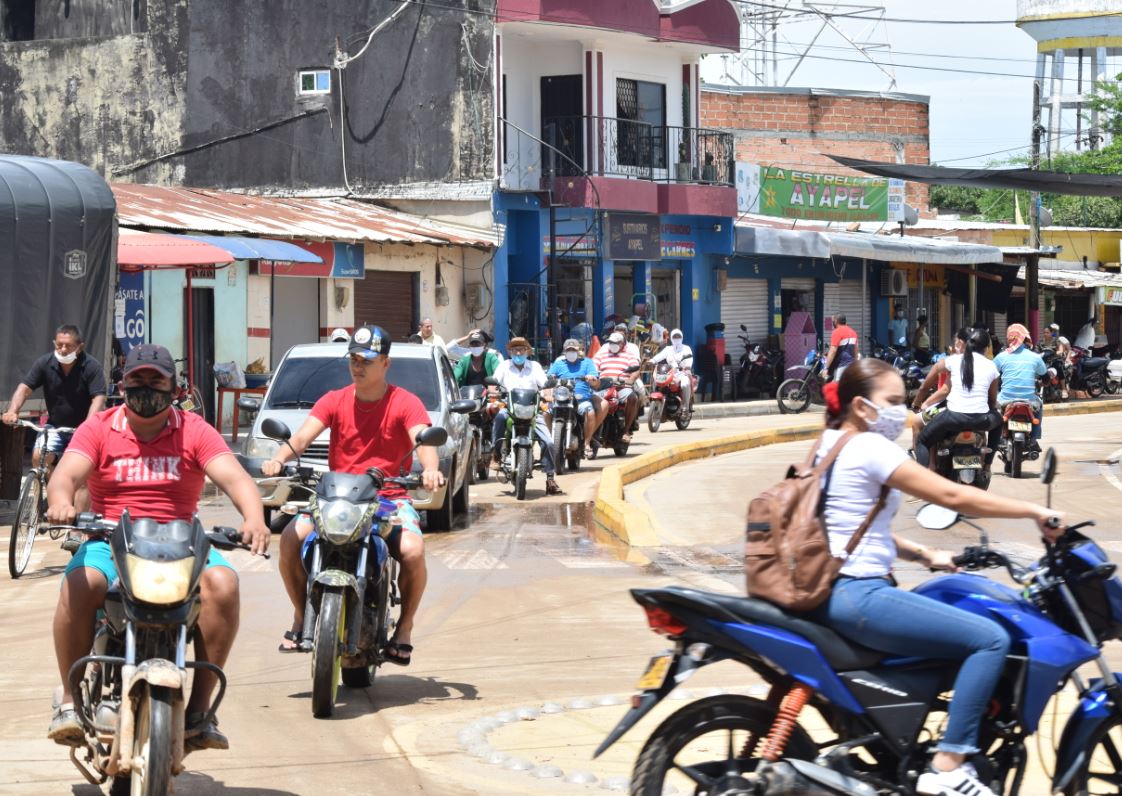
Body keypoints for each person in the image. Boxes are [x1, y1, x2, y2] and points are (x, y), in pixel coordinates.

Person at [809, 358, 1061, 796]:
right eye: (891, 402)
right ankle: (948, 765)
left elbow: (845, 527)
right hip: (859, 594)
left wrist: (923, 552)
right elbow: (949, 493)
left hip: (838, 588)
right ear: (860, 406)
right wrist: (1036, 510)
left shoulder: (829, 443)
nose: (900, 411)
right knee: (990, 639)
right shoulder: (870, 448)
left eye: (902, 401)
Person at [44, 344, 269, 750]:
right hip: (109, 538)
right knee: (81, 583)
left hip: (180, 541)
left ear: (174, 387)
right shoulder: (99, 427)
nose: (146, 388)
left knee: (224, 584)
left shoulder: (195, 430)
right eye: (138, 380)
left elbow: (236, 480)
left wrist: (254, 518)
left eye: (156, 380)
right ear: (122, 384)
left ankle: (200, 711)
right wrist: (60, 501)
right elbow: (65, 475)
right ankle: (68, 700)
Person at [262, 326, 441, 664]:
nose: (358, 367)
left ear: (385, 363)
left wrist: (429, 469)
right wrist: (278, 458)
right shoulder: (334, 399)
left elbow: (424, 439)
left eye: (367, 361)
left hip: (387, 499)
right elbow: (300, 439)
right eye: (354, 360)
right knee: (289, 538)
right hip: (335, 498)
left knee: (414, 551)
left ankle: (404, 628)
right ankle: (301, 617)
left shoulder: (405, 402)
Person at [5, 324, 109, 545]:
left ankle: (76, 531)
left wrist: (88, 426)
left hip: (83, 429)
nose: (62, 349)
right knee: (38, 458)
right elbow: (24, 388)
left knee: (83, 478)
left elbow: (98, 399)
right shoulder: (45, 363)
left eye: (68, 346)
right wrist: (13, 410)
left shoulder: (91, 367)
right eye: (59, 344)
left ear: (80, 347)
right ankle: (56, 495)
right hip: (55, 426)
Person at [913, 328, 999, 472]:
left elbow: (930, 378)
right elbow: (992, 400)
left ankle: (923, 477)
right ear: (986, 349)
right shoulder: (991, 366)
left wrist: (919, 400)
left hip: (952, 418)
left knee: (922, 441)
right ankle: (987, 465)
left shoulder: (953, 360)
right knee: (999, 422)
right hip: (981, 420)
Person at [490, 337, 562, 495]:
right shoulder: (504, 366)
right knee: (500, 418)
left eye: (521, 349)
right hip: (510, 408)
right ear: (509, 351)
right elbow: (494, 382)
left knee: (549, 442)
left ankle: (550, 477)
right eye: (514, 349)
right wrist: (493, 391)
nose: (518, 352)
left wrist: (548, 393)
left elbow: (544, 383)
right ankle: (495, 454)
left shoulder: (535, 366)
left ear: (527, 351)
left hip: (533, 411)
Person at [987, 324, 1047, 464]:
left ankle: (1000, 437)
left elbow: (990, 375)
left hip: (1005, 400)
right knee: (1040, 406)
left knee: (996, 412)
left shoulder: (1001, 357)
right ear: (1024, 339)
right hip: (1029, 401)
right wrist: (1046, 381)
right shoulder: (1035, 357)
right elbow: (1046, 377)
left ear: (1009, 339)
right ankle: (1033, 438)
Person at [909, 328, 968, 452]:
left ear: (958, 345)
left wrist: (923, 403)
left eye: (956, 343)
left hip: (946, 407)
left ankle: (930, 464)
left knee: (919, 422)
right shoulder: (983, 362)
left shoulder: (948, 362)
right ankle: (986, 466)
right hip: (976, 412)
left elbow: (943, 391)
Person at [546, 338, 600, 458]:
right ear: (565, 351)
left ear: (579, 351)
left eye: (573, 350)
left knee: (590, 413)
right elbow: (550, 375)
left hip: (581, 400)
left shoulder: (587, 362)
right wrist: (551, 378)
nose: (571, 352)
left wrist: (591, 378)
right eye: (568, 350)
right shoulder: (559, 363)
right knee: (545, 413)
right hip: (561, 399)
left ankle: (586, 443)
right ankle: (552, 441)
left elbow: (595, 379)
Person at [592, 332, 640, 446]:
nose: (612, 345)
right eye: (611, 342)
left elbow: (636, 369)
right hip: (603, 386)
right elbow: (593, 366)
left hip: (621, 386)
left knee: (632, 398)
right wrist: (592, 376)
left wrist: (631, 379)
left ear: (622, 344)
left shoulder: (629, 355)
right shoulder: (602, 354)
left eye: (616, 343)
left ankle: (626, 431)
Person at [649, 329, 694, 412]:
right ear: (671, 338)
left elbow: (690, 358)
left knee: (685, 384)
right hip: (669, 372)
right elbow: (660, 356)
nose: (676, 338)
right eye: (674, 336)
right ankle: (656, 400)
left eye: (678, 336)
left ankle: (685, 407)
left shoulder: (686, 348)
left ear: (682, 337)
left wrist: (688, 366)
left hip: (682, 372)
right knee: (656, 380)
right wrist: (652, 360)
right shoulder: (668, 349)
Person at [824, 313, 859, 382]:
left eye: (833, 321)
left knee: (838, 388)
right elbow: (856, 350)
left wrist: (826, 368)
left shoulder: (837, 332)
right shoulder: (853, 332)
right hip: (851, 365)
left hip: (842, 365)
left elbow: (833, 351)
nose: (832, 323)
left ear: (836, 321)